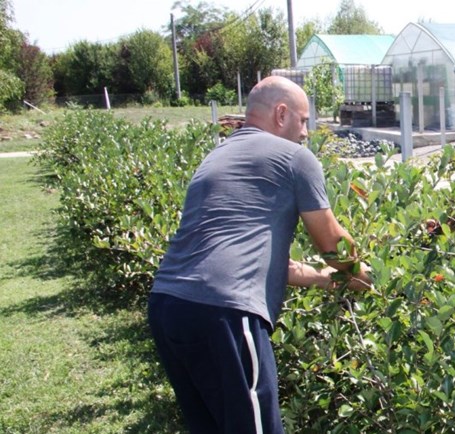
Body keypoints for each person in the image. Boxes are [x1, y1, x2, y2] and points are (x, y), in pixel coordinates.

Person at [147, 76, 371, 434]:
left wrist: (320, 279)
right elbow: (333, 245)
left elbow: (234, 252)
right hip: (225, 314)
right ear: (281, 114)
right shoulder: (295, 158)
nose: (306, 133)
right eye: (303, 121)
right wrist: (367, 276)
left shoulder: (217, 157)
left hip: (167, 306)